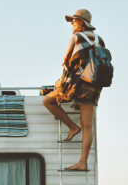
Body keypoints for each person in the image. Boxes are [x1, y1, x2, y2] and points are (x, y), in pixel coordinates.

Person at [42, 9, 104, 171]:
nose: (72, 23)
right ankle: (82, 162)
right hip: (94, 85)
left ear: (81, 22)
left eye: (74, 20)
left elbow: (67, 63)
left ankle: (72, 127)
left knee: (47, 100)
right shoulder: (100, 40)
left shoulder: (76, 38)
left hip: (77, 85)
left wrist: (59, 84)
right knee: (88, 126)